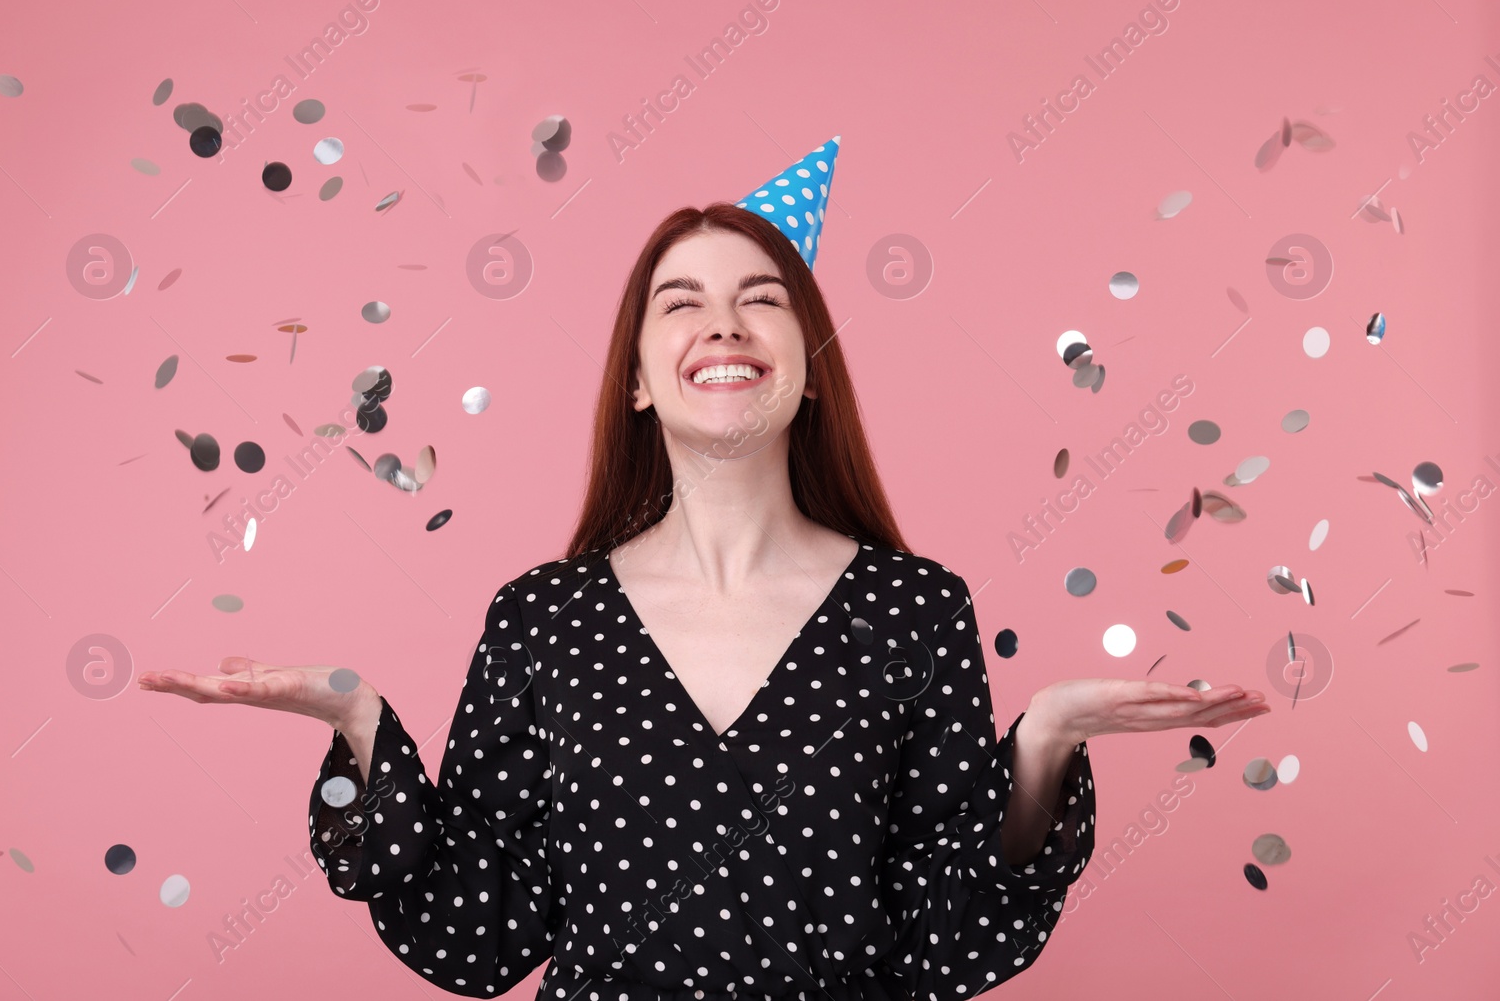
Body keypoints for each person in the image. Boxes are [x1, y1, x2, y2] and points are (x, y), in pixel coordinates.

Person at [139, 140, 1271, 999]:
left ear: (808, 369)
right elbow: (478, 931)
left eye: (760, 301)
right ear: (639, 377)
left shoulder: (913, 609)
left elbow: (948, 937)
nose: (722, 328)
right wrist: (356, 722)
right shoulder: (544, 620)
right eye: (681, 303)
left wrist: (1041, 743)